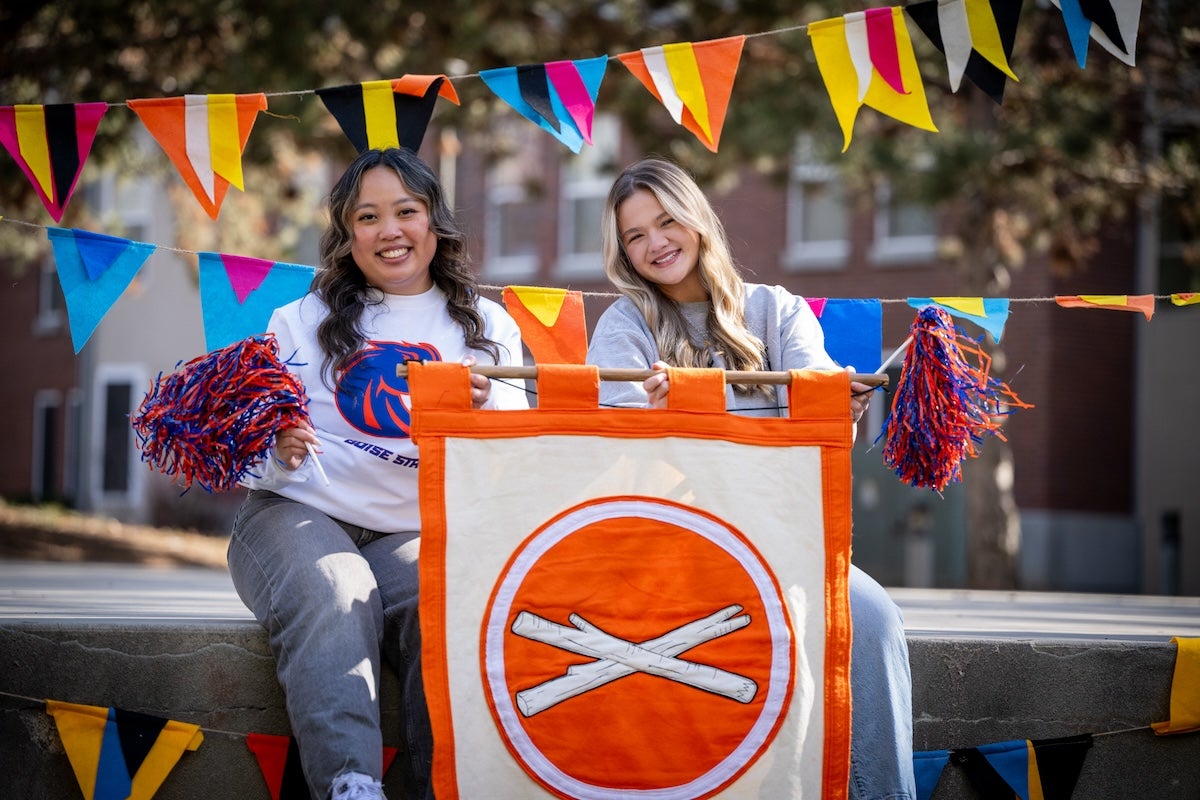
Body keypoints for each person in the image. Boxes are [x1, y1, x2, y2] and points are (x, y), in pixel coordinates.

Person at [586, 157, 915, 800]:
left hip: (783, 537)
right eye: (634, 236)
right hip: (674, 544)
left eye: (666, 221)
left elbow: (824, 434)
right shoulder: (624, 327)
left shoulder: (778, 311)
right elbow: (613, 457)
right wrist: (652, 423)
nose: (655, 243)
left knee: (873, 619)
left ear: (697, 220)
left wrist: (835, 406)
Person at [228, 147, 528, 800]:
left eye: (405, 211)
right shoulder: (299, 321)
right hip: (296, 513)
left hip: (410, 530)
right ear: (347, 235)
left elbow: (512, 460)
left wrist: (482, 416)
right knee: (337, 585)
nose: (389, 230)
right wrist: (276, 443)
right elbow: (245, 446)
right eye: (368, 217)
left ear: (434, 223)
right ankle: (350, 784)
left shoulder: (486, 325)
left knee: (445, 599)